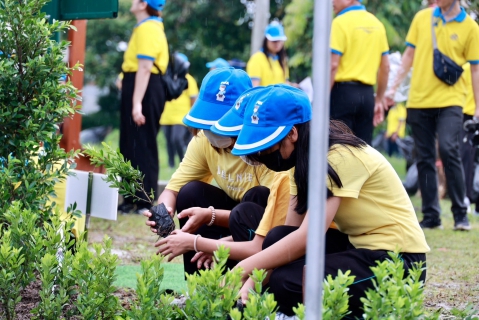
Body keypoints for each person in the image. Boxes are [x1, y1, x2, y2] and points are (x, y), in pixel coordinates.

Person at [229, 85, 429, 317]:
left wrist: (244, 269)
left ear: (292, 134)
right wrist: (255, 280)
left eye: (267, 146)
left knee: (287, 282)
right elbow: (290, 234)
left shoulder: (338, 157)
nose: (262, 156)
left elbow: (307, 238)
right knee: (277, 237)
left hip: (397, 261)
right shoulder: (302, 164)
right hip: (359, 248)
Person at [143, 68, 288, 275]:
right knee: (191, 192)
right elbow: (173, 189)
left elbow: (273, 216)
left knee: (253, 198)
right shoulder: (203, 141)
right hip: (232, 218)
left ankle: (244, 282)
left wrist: (207, 225)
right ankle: (198, 288)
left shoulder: (265, 146)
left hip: (263, 225)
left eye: (221, 121)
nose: (213, 129)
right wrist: (165, 209)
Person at [387, 0, 479, 230]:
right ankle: (431, 216)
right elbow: (408, 55)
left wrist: (478, 107)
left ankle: (460, 213)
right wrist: (393, 88)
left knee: (449, 149)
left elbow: (476, 69)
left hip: (451, 101)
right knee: (424, 157)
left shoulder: (470, 27)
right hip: (419, 100)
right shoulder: (422, 18)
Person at [119, 0, 168, 214]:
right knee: (130, 144)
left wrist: (137, 103)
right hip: (138, 85)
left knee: (143, 143)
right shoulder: (144, 26)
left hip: (146, 89)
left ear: (143, 4)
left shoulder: (149, 27)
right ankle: (131, 199)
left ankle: (145, 200)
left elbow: (146, 67)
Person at [330, 0, 390, 145]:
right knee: (363, 150)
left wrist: (321, 100)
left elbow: (333, 65)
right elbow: (386, 67)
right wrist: (379, 100)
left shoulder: (340, 22)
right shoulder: (377, 24)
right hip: (367, 96)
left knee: (338, 149)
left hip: (342, 94)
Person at [160, 53, 199, 169]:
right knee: (169, 142)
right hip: (166, 116)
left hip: (181, 117)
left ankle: (183, 161)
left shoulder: (189, 79)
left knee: (176, 139)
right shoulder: (167, 77)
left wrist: (193, 118)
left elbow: (193, 99)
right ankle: (171, 165)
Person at [246, 21, 291, 87]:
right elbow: (254, 88)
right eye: (274, 41)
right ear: (266, 40)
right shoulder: (256, 59)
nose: (277, 43)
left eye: (280, 40)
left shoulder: (283, 61)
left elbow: (286, 83)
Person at [461, 63, 479, 216]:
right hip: (468, 117)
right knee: (467, 159)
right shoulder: (467, 68)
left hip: (471, 115)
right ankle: (466, 198)